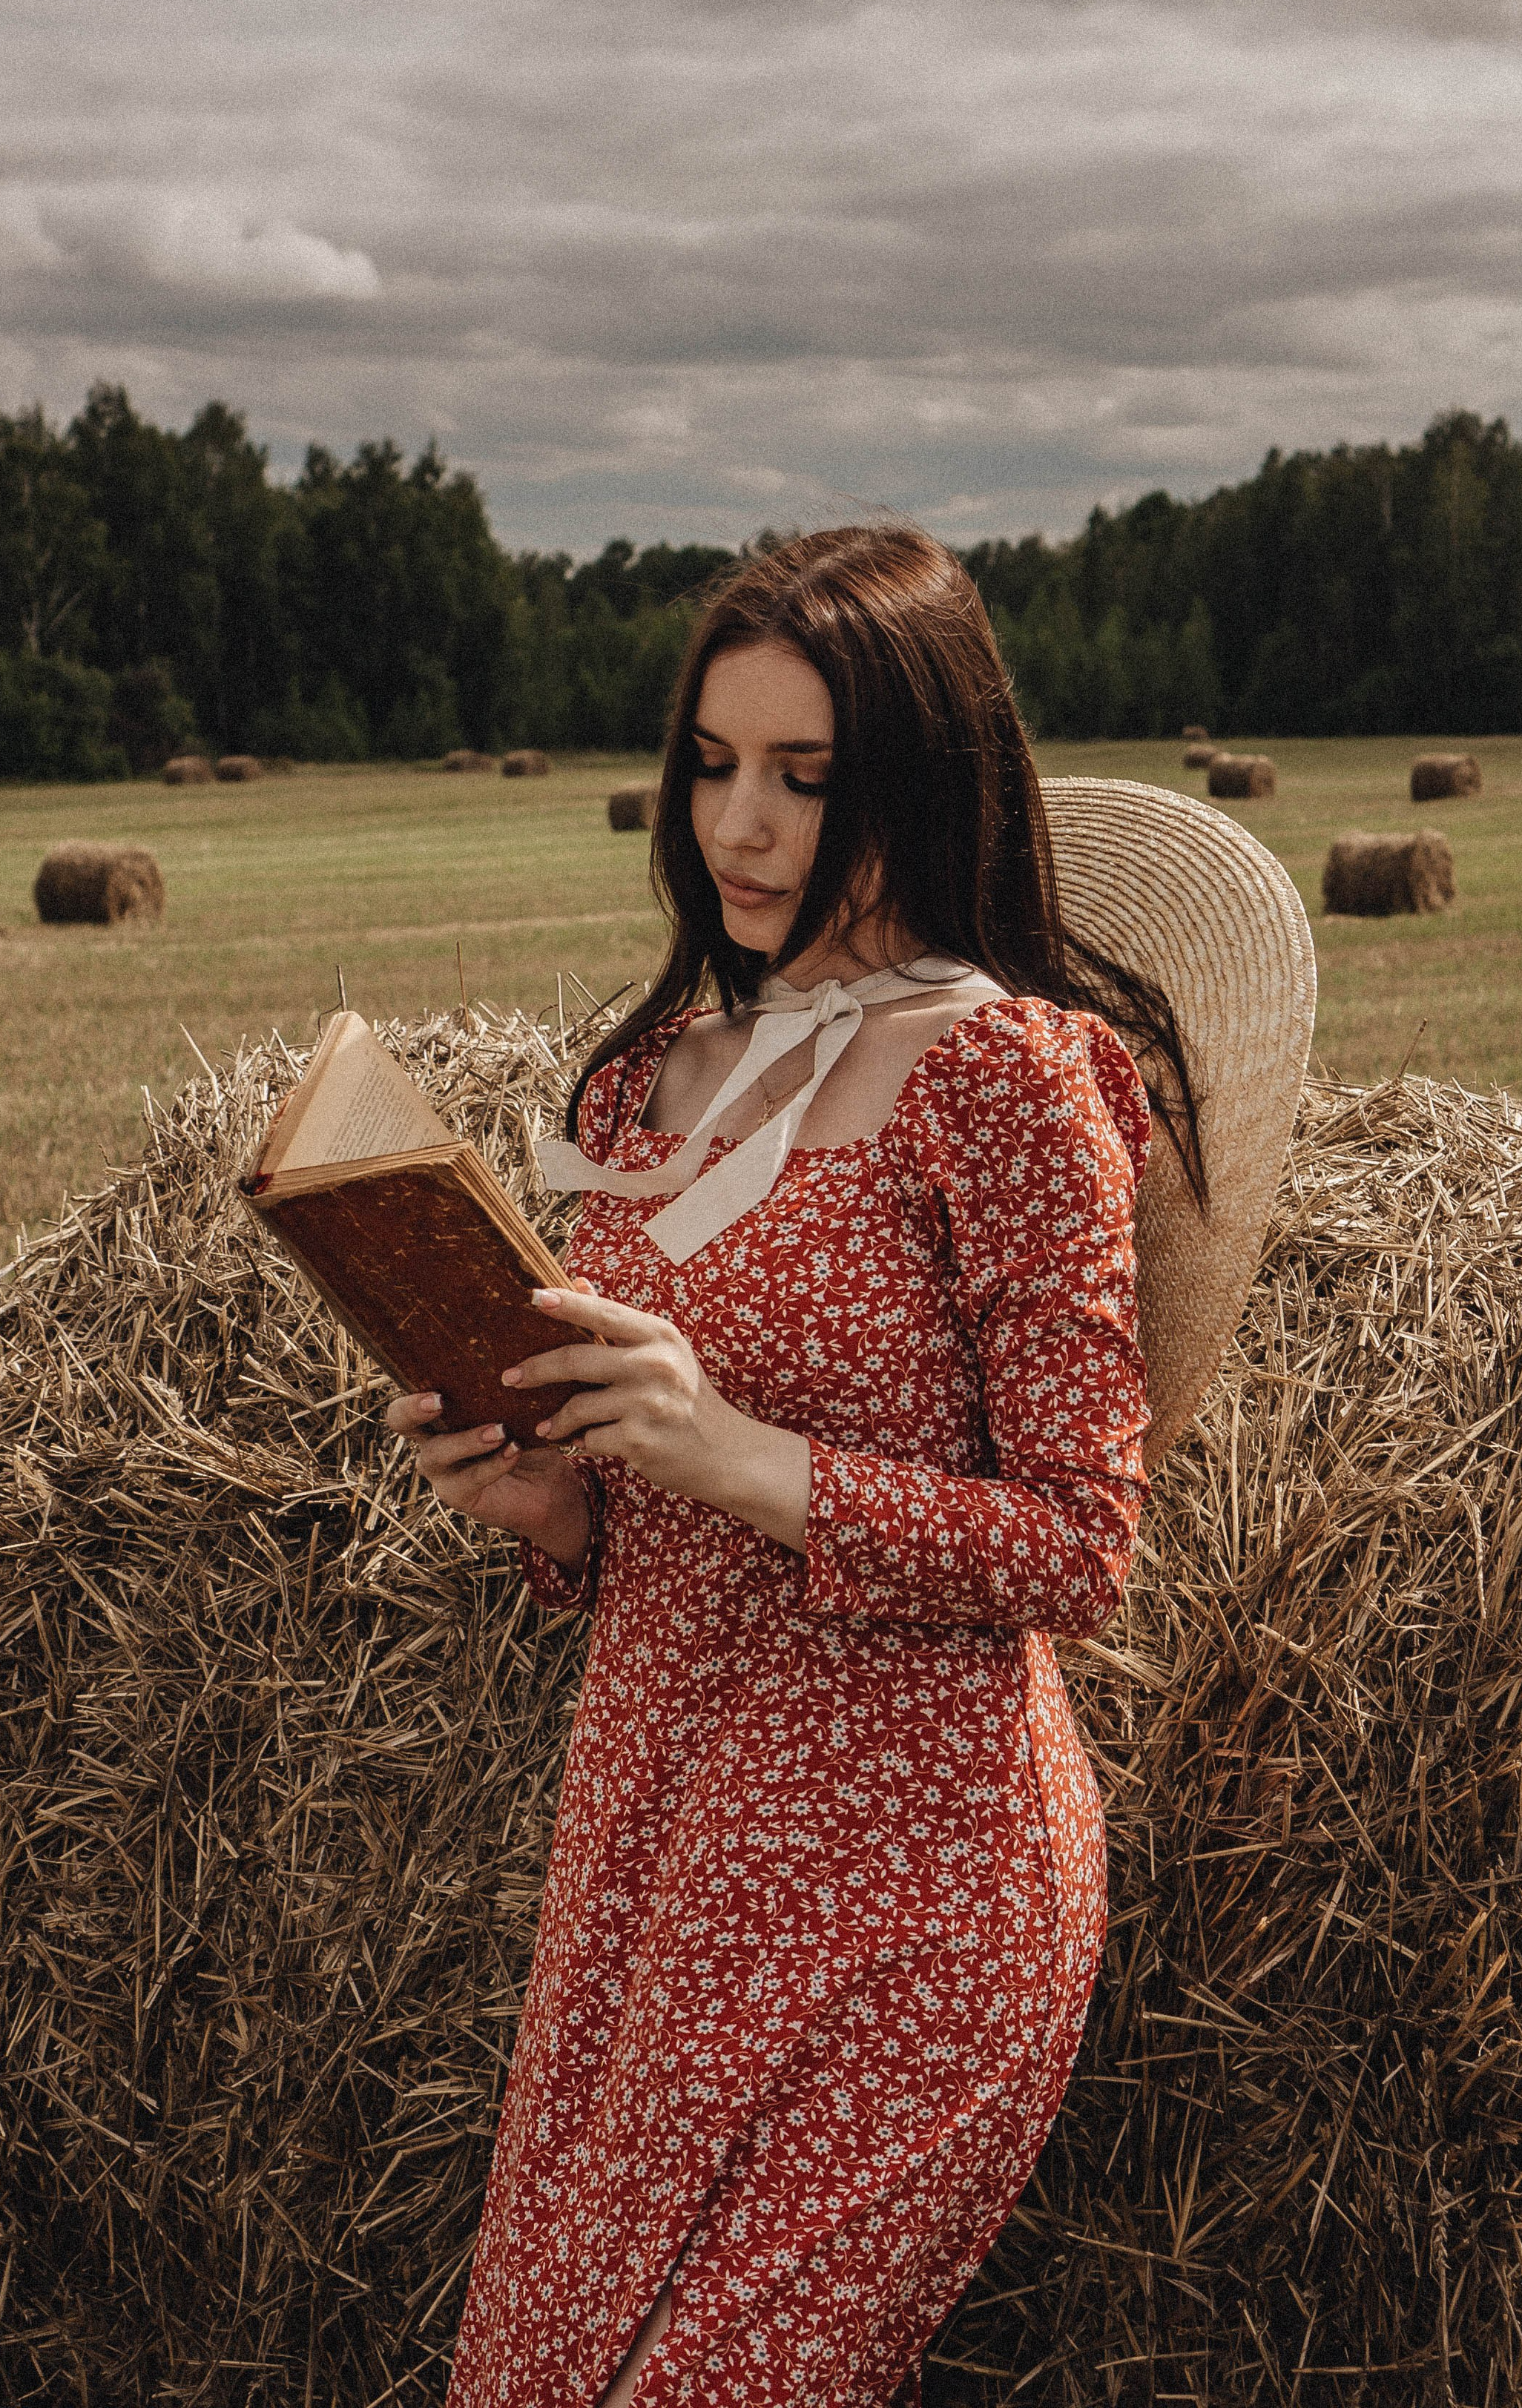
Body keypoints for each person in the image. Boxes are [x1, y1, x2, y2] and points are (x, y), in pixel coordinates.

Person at [388, 526, 1202, 2407]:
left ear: (917, 780)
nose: (740, 824)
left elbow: (1083, 1545)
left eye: (804, 778)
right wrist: (551, 1506)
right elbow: (643, 1498)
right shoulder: (646, 1083)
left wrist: (742, 1454)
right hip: (659, 1854)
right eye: (713, 764)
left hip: (916, 1880)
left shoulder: (1006, 1074)